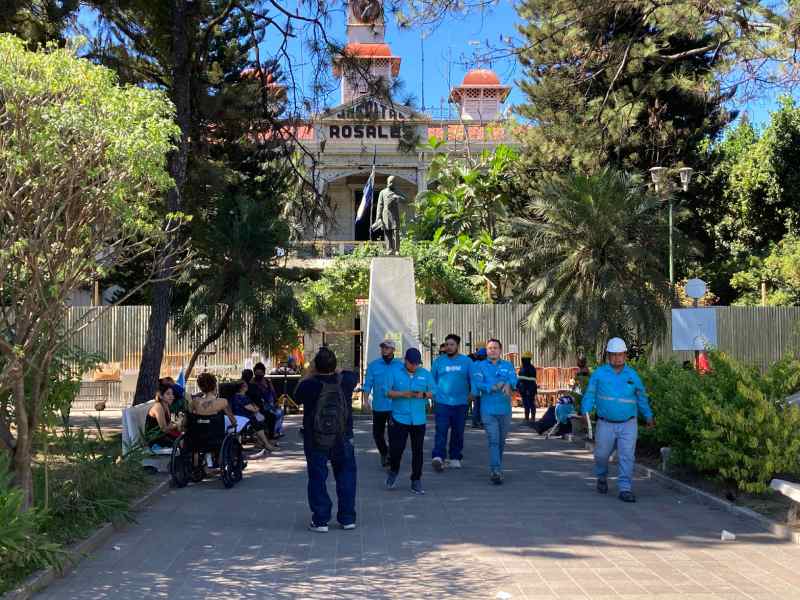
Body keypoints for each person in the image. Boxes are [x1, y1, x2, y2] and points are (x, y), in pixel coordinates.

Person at [580, 337, 654, 503]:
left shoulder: (633, 376)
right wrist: (585, 413)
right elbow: (590, 394)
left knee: (627, 456)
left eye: (620, 355)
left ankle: (625, 488)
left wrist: (648, 416)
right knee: (601, 455)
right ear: (608, 356)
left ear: (625, 355)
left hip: (628, 423)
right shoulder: (599, 374)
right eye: (613, 355)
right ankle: (601, 477)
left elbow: (641, 398)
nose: (617, 358)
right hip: (605, 423)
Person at [294, 347, 358, 532]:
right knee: (347, 477)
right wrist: (336, 370)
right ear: (335, 365)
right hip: (343, 436)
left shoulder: (310, 385)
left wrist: (310, 373)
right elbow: (352, 375)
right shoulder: (345, 381)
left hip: (316, 438)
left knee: (317, 478)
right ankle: (347, 518)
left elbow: (296, 396)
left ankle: (321, 519)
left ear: (315, 366)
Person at [386, 348, 435, 495]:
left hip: (418, 419)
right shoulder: (394, 372)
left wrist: (425, 394)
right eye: (411, 363)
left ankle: (416, 480)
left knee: (418, 451)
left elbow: (435, 390)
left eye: (417, 364)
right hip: (399, 418)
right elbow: (386, 392)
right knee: (396, 450)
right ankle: (393, 471)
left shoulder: (425, 374)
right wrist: (403, 394)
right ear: (405, 361)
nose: (414, 366)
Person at [472, 339, 518, 485]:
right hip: (488, 410)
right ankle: (496, 470)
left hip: (504, 410)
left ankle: (496, 466)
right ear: (486, 350)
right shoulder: (479, 366)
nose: (492, 350)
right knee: (493, 440)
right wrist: (491, 386)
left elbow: (514, 379)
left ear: (500, 350)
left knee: (501, 441)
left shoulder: (507, 365)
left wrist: (508, 383)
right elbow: (478, 383)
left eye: (495, 348)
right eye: (490, 348)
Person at [430, 334, 472, 471]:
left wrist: (473, 394)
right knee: (441, 430)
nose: (448, 347)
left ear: (457, 346)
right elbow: (432, 381)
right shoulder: (438, 362)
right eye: (447, 344)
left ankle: (455, 457)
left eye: (451, 344)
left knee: (458, 432)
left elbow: (473, 380)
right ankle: (438, 457)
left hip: (461, 403)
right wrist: (434, 395)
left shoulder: (467, 362)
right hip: (442, 403)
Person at [362, 339, 403, 468]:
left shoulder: (400, 365)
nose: (384, 350)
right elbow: (367, 384)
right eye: (382, 348)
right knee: (377, 434)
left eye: (387, 348)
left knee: (394, 433)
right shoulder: (373, 365)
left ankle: (391, 455)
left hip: (394, 406)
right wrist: (365, 401)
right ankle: (384, 453)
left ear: (393, 350)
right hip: (379, 406)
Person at [230, 380, 276, 458]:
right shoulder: (242, 398)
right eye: (245, 385)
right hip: (244, 419)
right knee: (259, 422)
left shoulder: (236, 397)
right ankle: (266, 443)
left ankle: (261, 442)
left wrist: (255, 408)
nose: (247, 386)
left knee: (261, 419)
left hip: (240, 417)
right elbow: (254, 409)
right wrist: (255, 409)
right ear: (242, 388)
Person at [252, 362, 285, 438]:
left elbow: (273, 393)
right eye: (257, 373)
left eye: (260, 373)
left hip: (271, 404)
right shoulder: (253, 383)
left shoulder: (267, 381)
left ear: (263, 373)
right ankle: (273, 432)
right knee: (274, 414)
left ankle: (277, 431)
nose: (259, 375)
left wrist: (276, 402)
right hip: (262, 405)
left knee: (280, 411)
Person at [145, 382, 181, 449]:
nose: (171, 396)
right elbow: (164, 429)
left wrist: (177, 425)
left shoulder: (166, 405)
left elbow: (169, 424)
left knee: (184, 438)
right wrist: (178, 424)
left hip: (162, 435)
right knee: (180, 442)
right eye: (168, 394)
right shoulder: (158, 407)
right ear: (161, 396)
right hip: (154, 439)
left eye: (172, 394)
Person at [469, 345, 487, 429]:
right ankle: (480, 422)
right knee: (481, 406)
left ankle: (475, 422)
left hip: (474, 388)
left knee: (476, 405)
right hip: (481, 389)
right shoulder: (484, 365)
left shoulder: (473, 364)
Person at [517, 352, 538, 423]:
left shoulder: (531, 368)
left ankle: (532, 418)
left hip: (529, 388)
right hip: (523, 388)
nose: (523, 360)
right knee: (525, 403)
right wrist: (518, 386)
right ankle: (526, 418)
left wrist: (529, 389)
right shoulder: (522, 367)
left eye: (524, 359)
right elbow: (520, 378)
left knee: (530, 403)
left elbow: (532, 380)